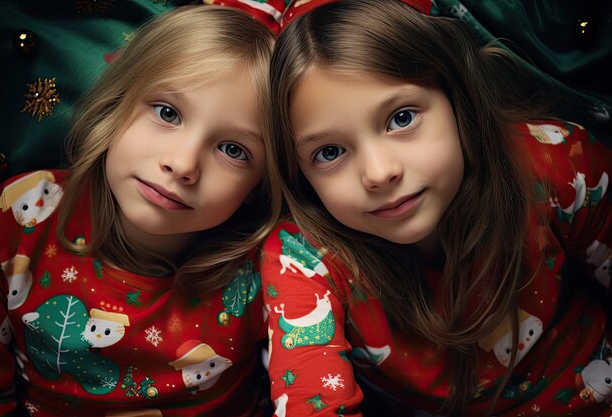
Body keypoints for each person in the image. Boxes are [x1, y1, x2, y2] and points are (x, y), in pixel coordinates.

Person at [261, 0, 612, 416]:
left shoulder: (556, 162)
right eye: (330, 151)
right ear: (299, 173)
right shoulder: (301, 261)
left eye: (402, 118)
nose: (379, 173)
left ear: (454, 94)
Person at [0, 4, 281, 416]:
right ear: (118, 106)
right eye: (167, 113)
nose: (182, 165)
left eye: (233, 150)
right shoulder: (20, 215)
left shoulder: (273, 265)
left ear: (260, 185)